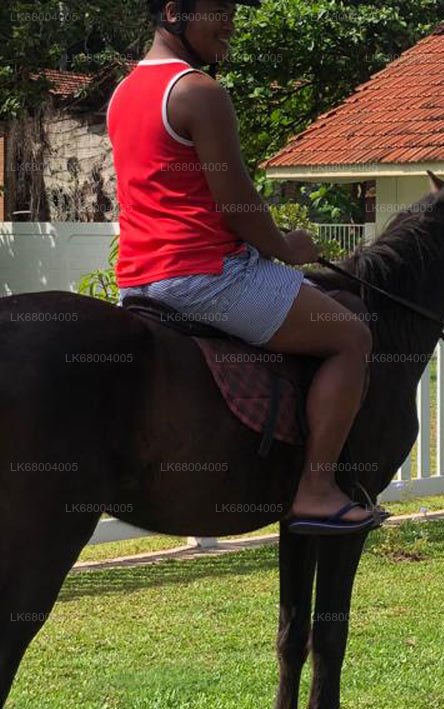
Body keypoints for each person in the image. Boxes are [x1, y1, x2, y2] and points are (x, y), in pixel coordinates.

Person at [109, 0, 378, 534]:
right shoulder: (199, 92)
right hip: (207, 275)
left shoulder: (122, 94)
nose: (231, 23)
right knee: (351, 336)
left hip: (140, 279)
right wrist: (285, 245)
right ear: (173, 12)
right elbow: (235, 204)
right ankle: (316, 489)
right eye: (219, 11)